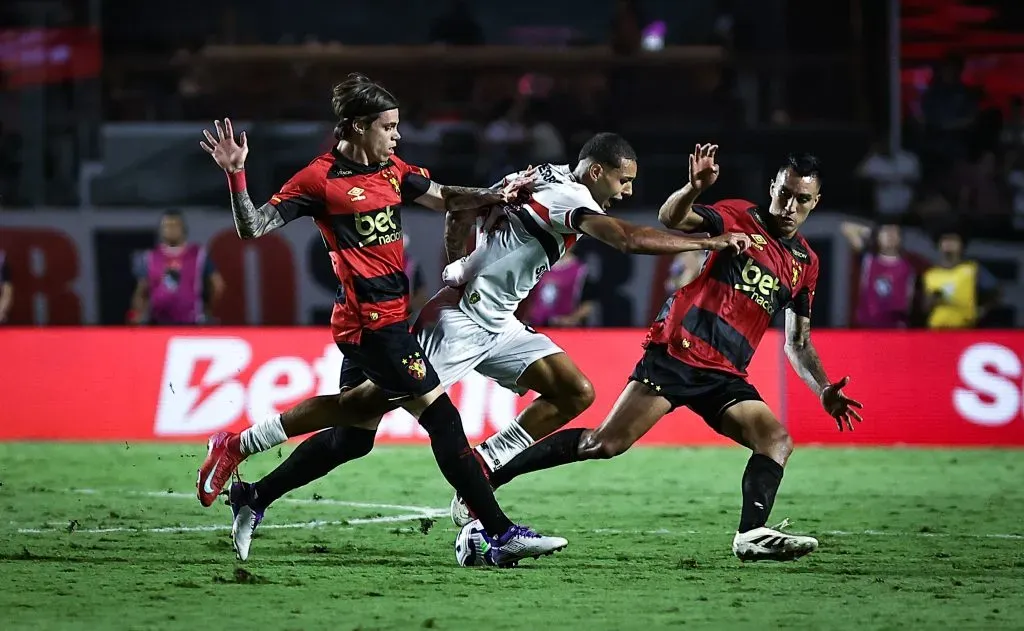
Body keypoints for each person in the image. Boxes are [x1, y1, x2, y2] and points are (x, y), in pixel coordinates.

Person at [225, 134, 750, 561]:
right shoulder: (572, 198)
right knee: (357, 419)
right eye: (623, 180)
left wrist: (456, 266)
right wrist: (709, 243)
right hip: (458, 324)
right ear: (596, 172)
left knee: (573, 391)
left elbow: (462, 209)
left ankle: (489, 465)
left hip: (497, 322)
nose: (626, 192)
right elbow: (629, 240)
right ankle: (246, 458)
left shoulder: (537, 174)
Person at [196, 73, 566, 568]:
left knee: (352, 436)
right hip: (372, 327)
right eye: (388, 127)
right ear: (356, 127)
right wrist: (236, 174)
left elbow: (443, 197)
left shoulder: (391, 170)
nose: (397, 136)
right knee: (443, 420)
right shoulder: (318, 180)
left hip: (388, 319)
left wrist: (500, 194)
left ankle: (253, 494)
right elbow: (252, 227)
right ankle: (499, 533)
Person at [451, 147, 865, 562]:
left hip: (725, 373)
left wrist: (824, 388)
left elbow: (797, 342)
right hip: (678, 351)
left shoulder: (805, 263)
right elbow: (672, 219)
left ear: (816, 202)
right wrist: (693, 188)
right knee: (605, 444)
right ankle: (487, 475)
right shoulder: (741, 216)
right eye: (784, 193)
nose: (790, 206)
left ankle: (750, 533)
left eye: (802, 199)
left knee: (776, 440)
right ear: (772, 187)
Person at [129, 210, 225, 325]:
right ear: (161, 230)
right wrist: (137, 314)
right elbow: (141, 291)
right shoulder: (150, 257)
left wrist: (207, 309)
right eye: (167, 226)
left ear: (183, 228)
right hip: (158, 323)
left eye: (175, 225)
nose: (171, 229)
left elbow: (218, 285)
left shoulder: (198, 255)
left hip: (191, 322)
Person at [840, 221, 924, 328]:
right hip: (868, 326)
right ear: (878, 237)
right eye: (886, 232)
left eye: (894, 233)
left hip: (897, 327)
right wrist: (872, 232)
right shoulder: (868, 261)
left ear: (900, 238)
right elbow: (846, 228)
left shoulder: (908, 265)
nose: (890, 236)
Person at [921, 228, 1000, 328]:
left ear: (962, 245)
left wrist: (982, 310)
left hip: (964, 329)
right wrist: (932, 300)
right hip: (936, 330)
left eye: (953, 240)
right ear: (939, 245)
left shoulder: (972, 269)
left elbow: (996, 292)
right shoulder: (930, 274)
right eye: (945, 240)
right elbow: (924, 308)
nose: (949, 243)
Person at [0, 249, 12, 324]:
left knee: (6, 298)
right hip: (4, 283)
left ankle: (1, 316)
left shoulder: (5, 267)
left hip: (5, 283)